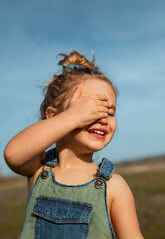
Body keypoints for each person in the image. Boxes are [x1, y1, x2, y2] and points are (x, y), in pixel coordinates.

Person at [4, 51, 144, 239]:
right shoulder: (39, 171)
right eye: (91, 110)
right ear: (54, 117)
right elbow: (13, 154)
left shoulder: (113, 186)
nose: (102, 118)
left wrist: (79, 113)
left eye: (110, 112)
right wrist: (74, 116)